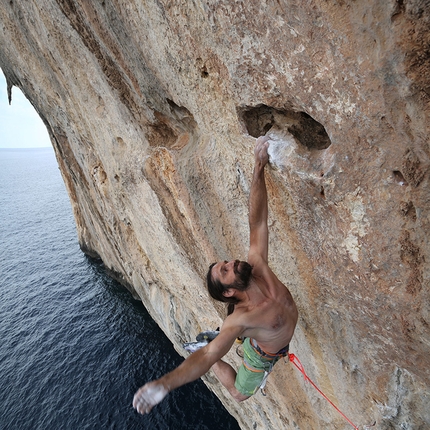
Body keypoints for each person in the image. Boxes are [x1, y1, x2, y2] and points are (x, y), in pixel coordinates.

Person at [133, 136, 298, 414]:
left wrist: (258, 166)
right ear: (229, 292)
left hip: (264, 337)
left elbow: (256, 220)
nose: (232, 262)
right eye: (226, 270)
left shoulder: (258, 267)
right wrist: (164, 384)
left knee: (245, 338)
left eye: (226, 262)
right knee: (238, 394)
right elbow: (209, 357)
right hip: (260, 356)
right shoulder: (240, 320)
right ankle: (208, 338)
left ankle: (228, 338)